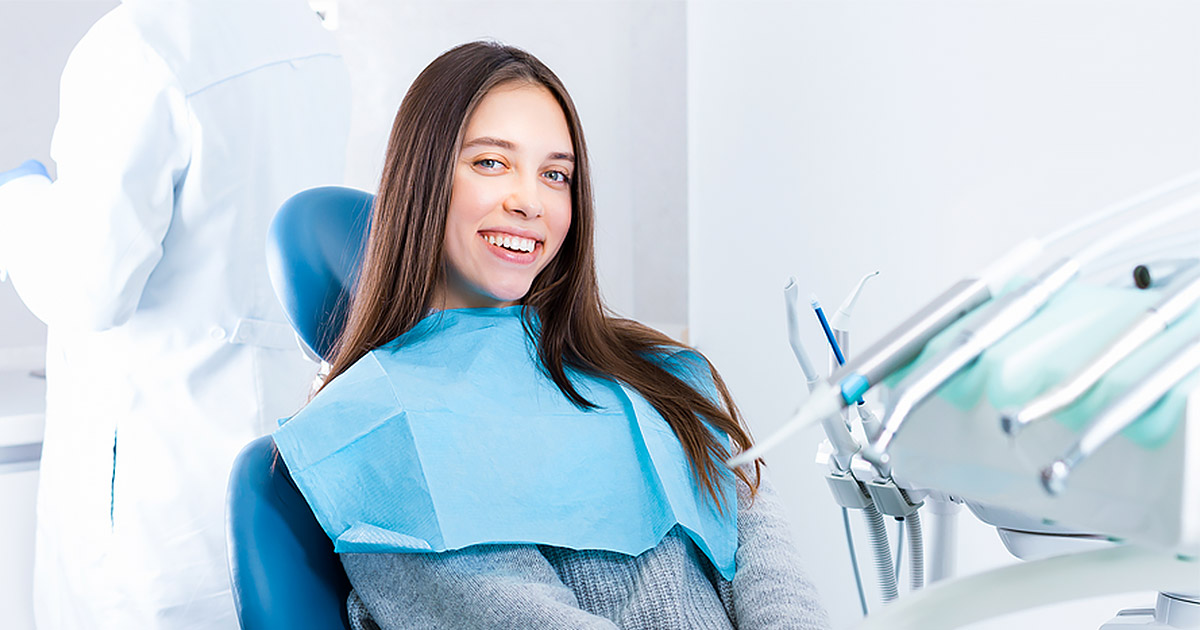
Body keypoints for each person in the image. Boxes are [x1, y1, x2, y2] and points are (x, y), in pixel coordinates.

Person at [274, 41, 830, 629]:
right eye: (491, 162)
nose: (529, 201)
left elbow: (775, 577)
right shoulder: (376, 429)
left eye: (555, 174)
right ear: (424, 176)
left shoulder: (654, 369)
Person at [0, 1, 350, 628]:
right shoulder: (309, 38)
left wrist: (18, 199)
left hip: (145, 510)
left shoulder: (137, 46)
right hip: (271, 483)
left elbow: (88, 288)